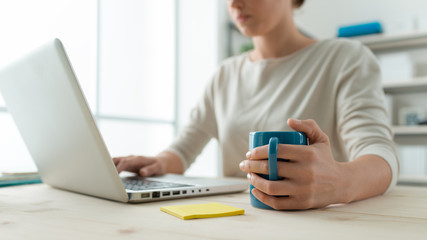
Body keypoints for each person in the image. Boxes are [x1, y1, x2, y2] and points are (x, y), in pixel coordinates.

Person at [113, 0, 398, 210]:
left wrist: (340, 181)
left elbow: (380, 156)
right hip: (234, 222)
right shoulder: (225, 74)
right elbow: (184, 149)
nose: (235, 4)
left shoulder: (345, 58)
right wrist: (157, 164)